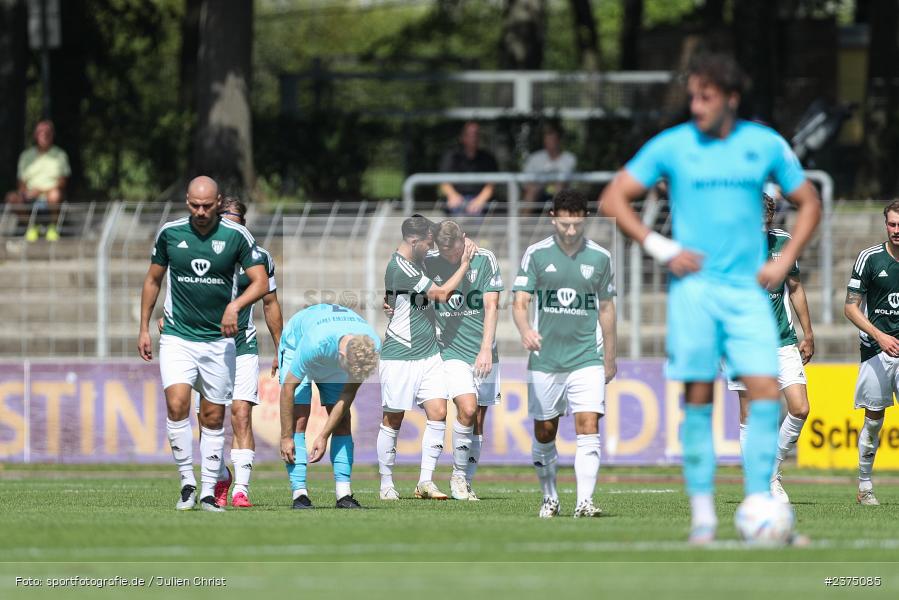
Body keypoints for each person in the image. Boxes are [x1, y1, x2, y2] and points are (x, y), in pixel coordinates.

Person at [599, 53, 821, 544]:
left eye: (706, 96)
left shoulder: (763, 144)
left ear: (731, 99)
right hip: (695, 295)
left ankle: (761, 501)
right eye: (693, 96)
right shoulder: (673, 144)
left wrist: (784, 261)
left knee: (766, 397)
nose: (696, 105)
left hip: (746, 295)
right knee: (698, 400)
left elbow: (809, 202)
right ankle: (703, 519)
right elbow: (614, 197)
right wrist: (661, 247)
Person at [138, 176, 269, 512]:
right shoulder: (170, 233)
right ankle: (187, 483)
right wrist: (143, 328)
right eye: (195, 205)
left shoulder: (236, 236)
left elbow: (261, 283)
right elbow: (153, 279)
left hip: (218, 342)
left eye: (207, 206)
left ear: (218, 202)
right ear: (187, 201)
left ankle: (209, 491)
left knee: (212, 416)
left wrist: (235, 306)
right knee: (177, 404)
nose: (200, 211)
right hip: (178, 337)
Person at [512, 189, 617, 518]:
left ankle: (584, 501)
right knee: (545, 431)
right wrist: (525, 330)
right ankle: (550, 497)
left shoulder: (600, 257)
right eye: (564, 224)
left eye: (577, 225)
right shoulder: (536, 254)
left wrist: (610, 356)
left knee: (589, 424)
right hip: (546, 359)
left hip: (587, 357)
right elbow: (520, 302)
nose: (571, 231)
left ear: (585, 219)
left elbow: (607, 308)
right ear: (552, 219)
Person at [377, 214, 476, 501]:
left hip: (429, 353)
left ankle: (425, 481)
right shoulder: (400, 267)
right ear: (414, 241)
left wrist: (464, 242)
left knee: (439, 412)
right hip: (400, 354)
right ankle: (386, 484)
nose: (431, 248)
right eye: (428, 243)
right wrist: (465, 264)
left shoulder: (419, 260)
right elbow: (441, 293)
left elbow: (395, 299)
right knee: (393, 418)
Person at [727, 191, 815, 504]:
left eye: (765, 222)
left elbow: (795, 287)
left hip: (782, 339)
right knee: (749, 415)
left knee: (800, 408)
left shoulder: (782, 242)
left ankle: (771, 471)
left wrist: (808, 333)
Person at [424, 220, 503, 500]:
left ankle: (466, 482)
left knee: (478, 420)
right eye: (446, 253)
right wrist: (390, 299)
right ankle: (457, 476)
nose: (451, 257)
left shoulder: (485, 258)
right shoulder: (429, 261)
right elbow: (407, 282)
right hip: (451, 352)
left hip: (483, 351)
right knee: (467, 409)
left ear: (464, 239)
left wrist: (485, 349)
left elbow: (492, 306)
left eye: (456, 251)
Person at [277, 303, 381, 509]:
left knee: (343, 420)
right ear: (342, 357)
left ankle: (344, 495)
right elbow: (288, 388)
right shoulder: (315, 343)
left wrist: (323, 435)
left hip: (329, 351)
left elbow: (348, 393)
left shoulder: (371, 346)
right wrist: (285, 437)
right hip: (297, 344)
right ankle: (300, 495)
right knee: (298, 418)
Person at [844, 199, 899, 507]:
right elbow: (850, 307)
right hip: (876, 350)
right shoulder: (870, 258)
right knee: (874, 421)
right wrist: (880, 335)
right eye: (892, 224)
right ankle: (864, 485)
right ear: (885, 224)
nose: (896, 230)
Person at [5, 120, 70, 242]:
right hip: (30, 195)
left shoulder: (60, 155)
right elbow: (21, 182)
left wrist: (41, 191)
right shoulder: (26, 155)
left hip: (51, 194)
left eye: (47, 133)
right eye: (41, 132)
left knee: (55, 195)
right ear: (35, 135)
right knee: (11, 197)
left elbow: (63, 181)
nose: (44, 135)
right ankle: (31, 228)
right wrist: (25, 193)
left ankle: (53, 228)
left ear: (52, 135)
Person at [439, 121, 499, 216]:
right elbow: (444, 182)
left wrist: (479, 201)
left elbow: (491, 185)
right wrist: (453, 196)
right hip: (457, 200)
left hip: (480, 202)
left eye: (476, 134)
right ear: (462, 137)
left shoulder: (488, 158)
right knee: (457, 215)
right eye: (470, 134)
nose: (474, 137)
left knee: (477, 214)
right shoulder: (451, 157)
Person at [522, 123, 577, 212]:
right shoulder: (534, 158)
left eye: (553, 139)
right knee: (531, 192)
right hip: (538, 192)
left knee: (559, 189)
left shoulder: (569, 158)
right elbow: (526, 183)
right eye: (547, 139)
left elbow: (568, 182)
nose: (550, 142)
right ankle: (523, 220)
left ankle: (558, 219)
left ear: (559, 141)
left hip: (562, 193)